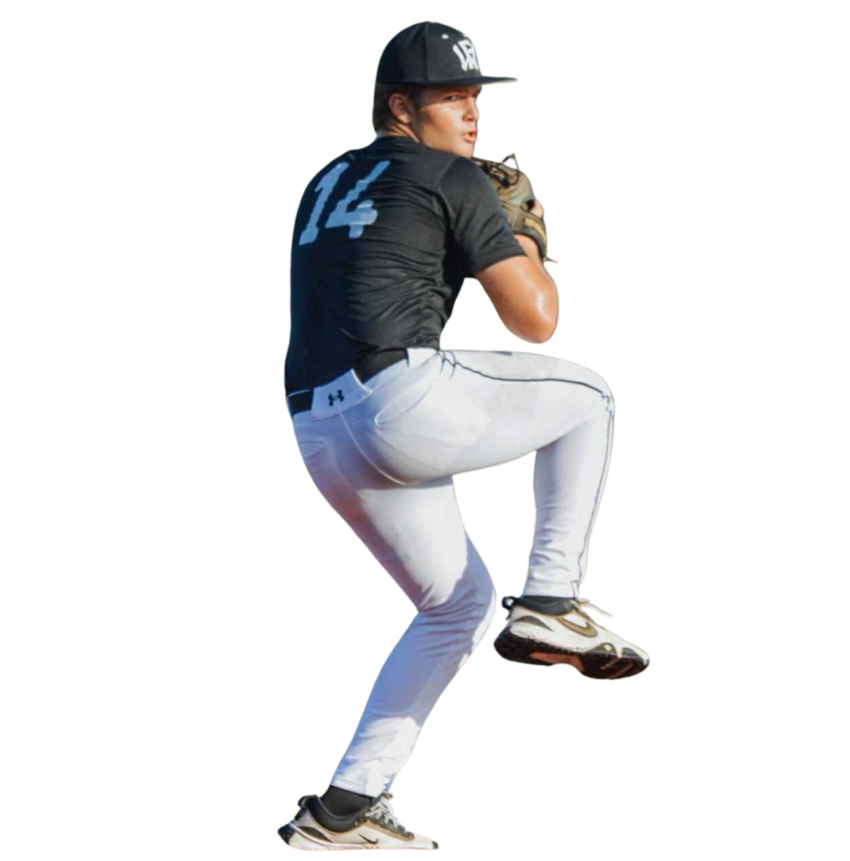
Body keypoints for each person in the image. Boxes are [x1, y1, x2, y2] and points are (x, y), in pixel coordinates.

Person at [278, 19, 651, 853]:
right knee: (587, 394)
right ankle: (552, 598)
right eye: (452, 96)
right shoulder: (450, 174)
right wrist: (525, 239)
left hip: (319, 431)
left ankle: (345, 807)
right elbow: (535, 322)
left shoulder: (324, 177)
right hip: (394, 401)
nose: (474, 110)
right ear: (399, 106)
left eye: (477, 95)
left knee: (458, 607)